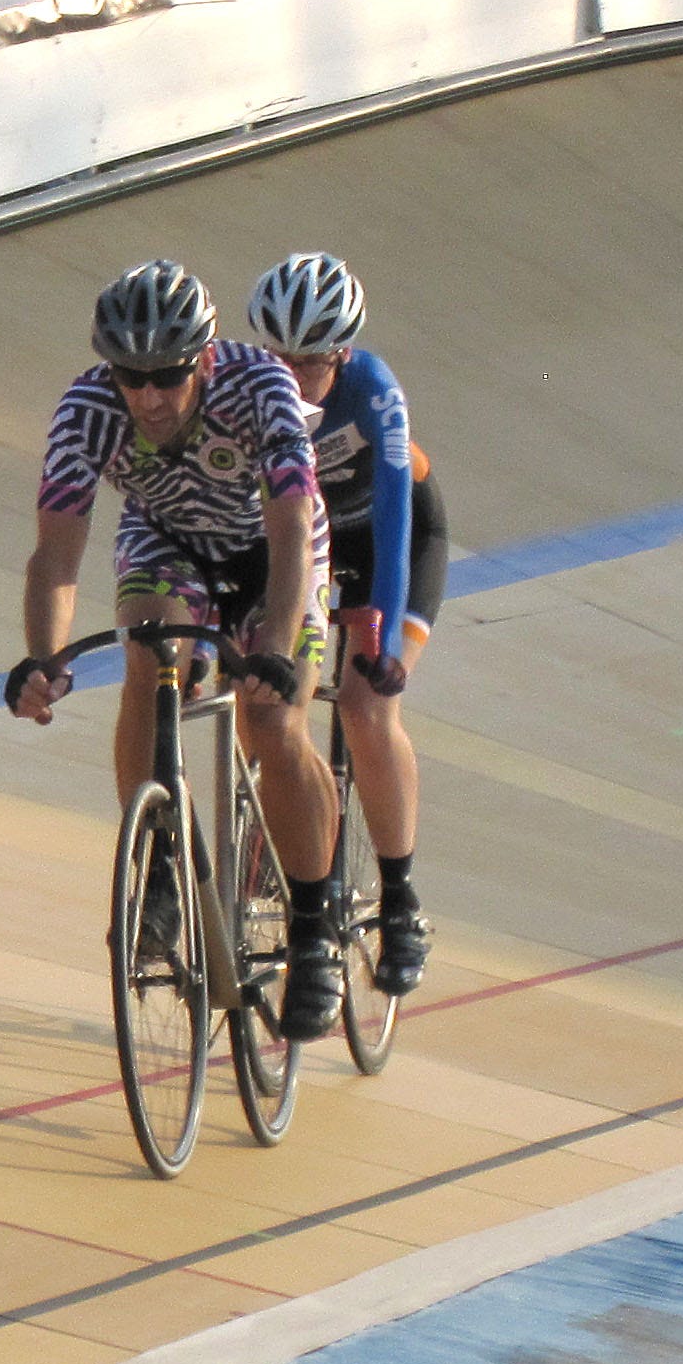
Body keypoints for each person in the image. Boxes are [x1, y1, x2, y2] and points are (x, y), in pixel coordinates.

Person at [8, 259, 345, 1043]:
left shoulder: (260, 386)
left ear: (200, 361)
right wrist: (42, 658)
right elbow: (56, 554)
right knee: (148, 657)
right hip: (169, 543)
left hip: (274, 555)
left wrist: (278, 648)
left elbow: (293, 527)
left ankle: (315, 920)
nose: (149, 398)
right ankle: (159, 867)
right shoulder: (88, 409)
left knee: (274, 724)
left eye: (165, 376)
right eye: (132, 377)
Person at [249, 252, 440, 996]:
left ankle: (401, 902)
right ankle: (282, 837)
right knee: (266, 696)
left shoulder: (374, 391)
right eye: (279, 359)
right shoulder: (250, 389)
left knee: (365, 706)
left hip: (387, 544)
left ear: (342, 352)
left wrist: (383, 642)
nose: (292, 379)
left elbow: (395, 517)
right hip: (307, 550)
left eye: (311, 363)